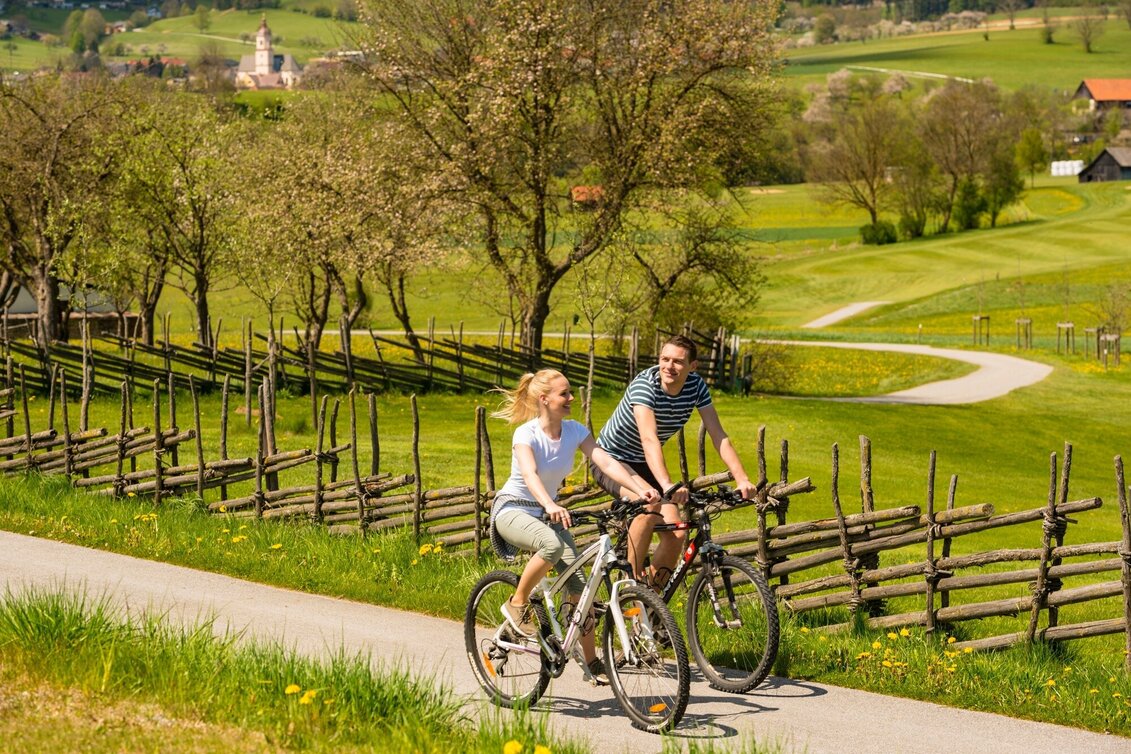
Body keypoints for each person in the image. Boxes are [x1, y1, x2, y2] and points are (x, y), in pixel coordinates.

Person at [489, 369, 659, 681]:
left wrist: (639, 490)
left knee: (581, 591)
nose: (571, 399)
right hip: (513, 510)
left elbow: (606, 462)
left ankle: (591, 661)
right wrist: (550, 504)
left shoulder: (575, 431)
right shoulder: (526, 434)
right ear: (545, 399)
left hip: (544, 515)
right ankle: (516, 604)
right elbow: (530, 476)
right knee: (551, 545)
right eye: (564, 393)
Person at [590, 334, 756, 588]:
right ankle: (630, 589)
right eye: (664, 359)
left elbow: (718, 435)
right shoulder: (646, 384)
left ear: (692, 366)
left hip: (644, 464)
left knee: (677, 532)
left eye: (677, 361)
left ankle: (650, 605)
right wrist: (667, 485)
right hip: (612, 459)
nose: (668, 366)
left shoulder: (696, 386)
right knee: (647, 506)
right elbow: (649, 438)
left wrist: (742, 478)